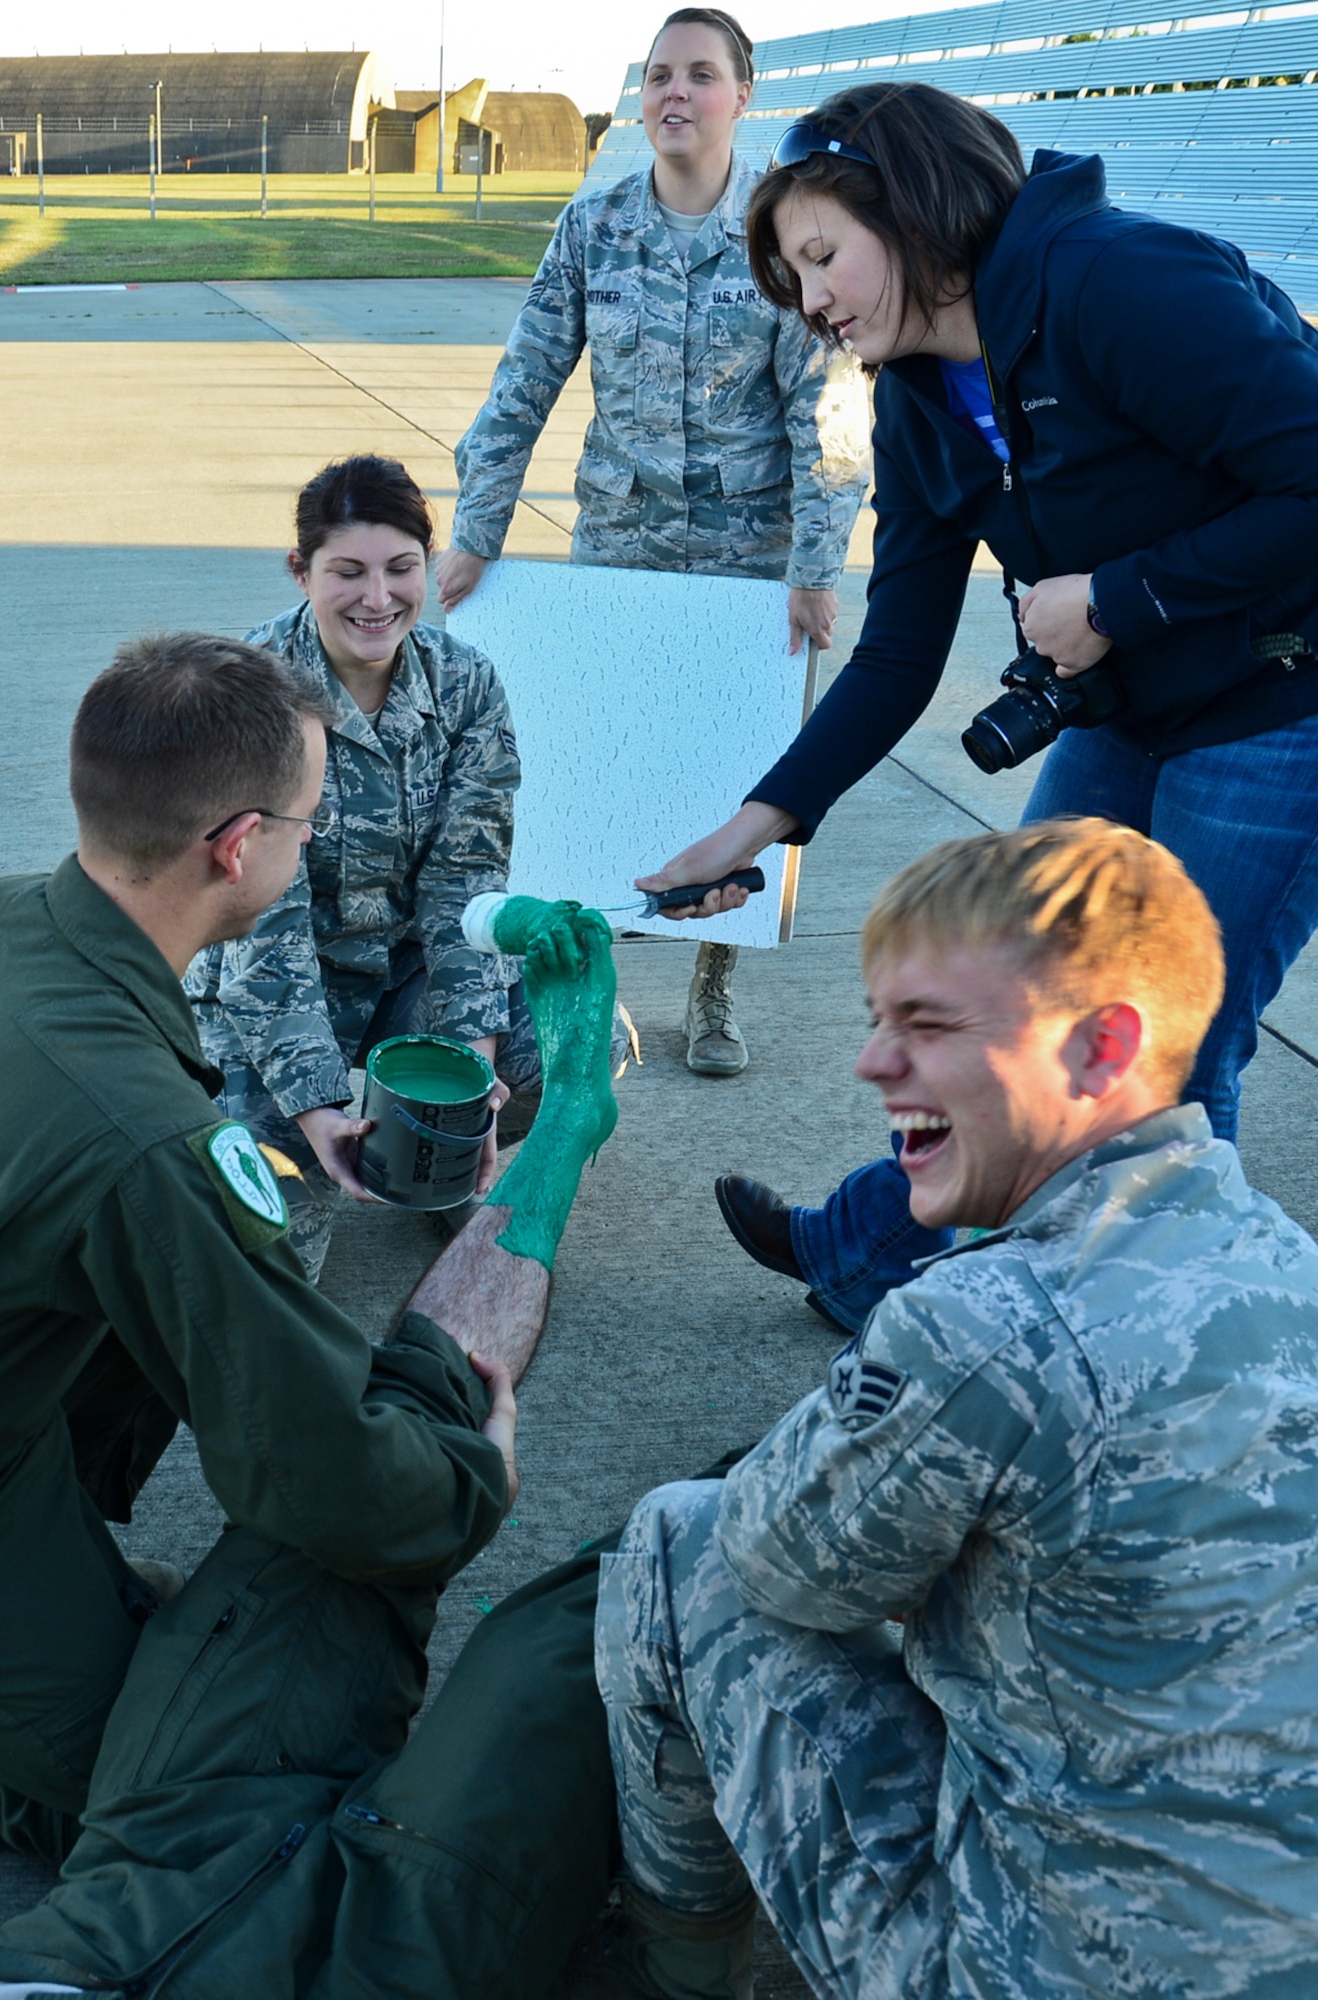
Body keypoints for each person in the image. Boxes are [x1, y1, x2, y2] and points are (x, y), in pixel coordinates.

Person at [0, 633, 624, 1994]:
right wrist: (461, 1470)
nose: (318, 839)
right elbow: (325, 1470)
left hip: (11, 1415)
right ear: (236, 847)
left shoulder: (7, 927)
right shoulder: (146, 1143)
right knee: (152, 1780)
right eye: (310, 819)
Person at [587, 819, 1318, 2000]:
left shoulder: (985, 1322)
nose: (872, 1062)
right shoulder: (1288, 1261)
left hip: (1044, 1972)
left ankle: (676, 1960)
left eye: (928, 1026)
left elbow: (779, 1568)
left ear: (1100, 1047)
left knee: (681, 1545)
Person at [636, 80, 1318, 1330]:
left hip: (1285, 697)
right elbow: (898, 649)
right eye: (796, 281)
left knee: (1160, 1048)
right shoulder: (914, 395)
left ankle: (1145, 1359)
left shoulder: (1118, 284)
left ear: (911, 207)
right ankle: (884, 1257)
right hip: (1126, 707)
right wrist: (759, 825)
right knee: (1012, 993)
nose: (815, 303)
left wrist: (1120, 593)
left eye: (824, 257)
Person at [436, 7, 871, 1081]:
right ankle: (592, 990)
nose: (677, 94)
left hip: (746, 563)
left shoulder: (782, 235)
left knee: (734, 775)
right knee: (597, 762)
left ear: (742, 95)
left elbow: (828, 406)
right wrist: (477, 532)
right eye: (659, 77)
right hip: (619, 550)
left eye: (701, 76)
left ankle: (713, 978)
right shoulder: (594, 229)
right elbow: (524, 379)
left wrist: (817, 565)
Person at [186, 452, 604, 1283]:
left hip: (408, 974)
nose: (378, 599)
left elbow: (468, 884)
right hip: (277, 994)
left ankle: (434, 1162)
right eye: (347, 572)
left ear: (427, 565)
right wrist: (315, 1112)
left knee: (574, 1045)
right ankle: (270, 1132)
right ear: (300, 570)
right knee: (271, 1267)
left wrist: (468, 1087)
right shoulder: (250, 695)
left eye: (401, 569)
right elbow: (261, 937)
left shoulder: (465, 684)